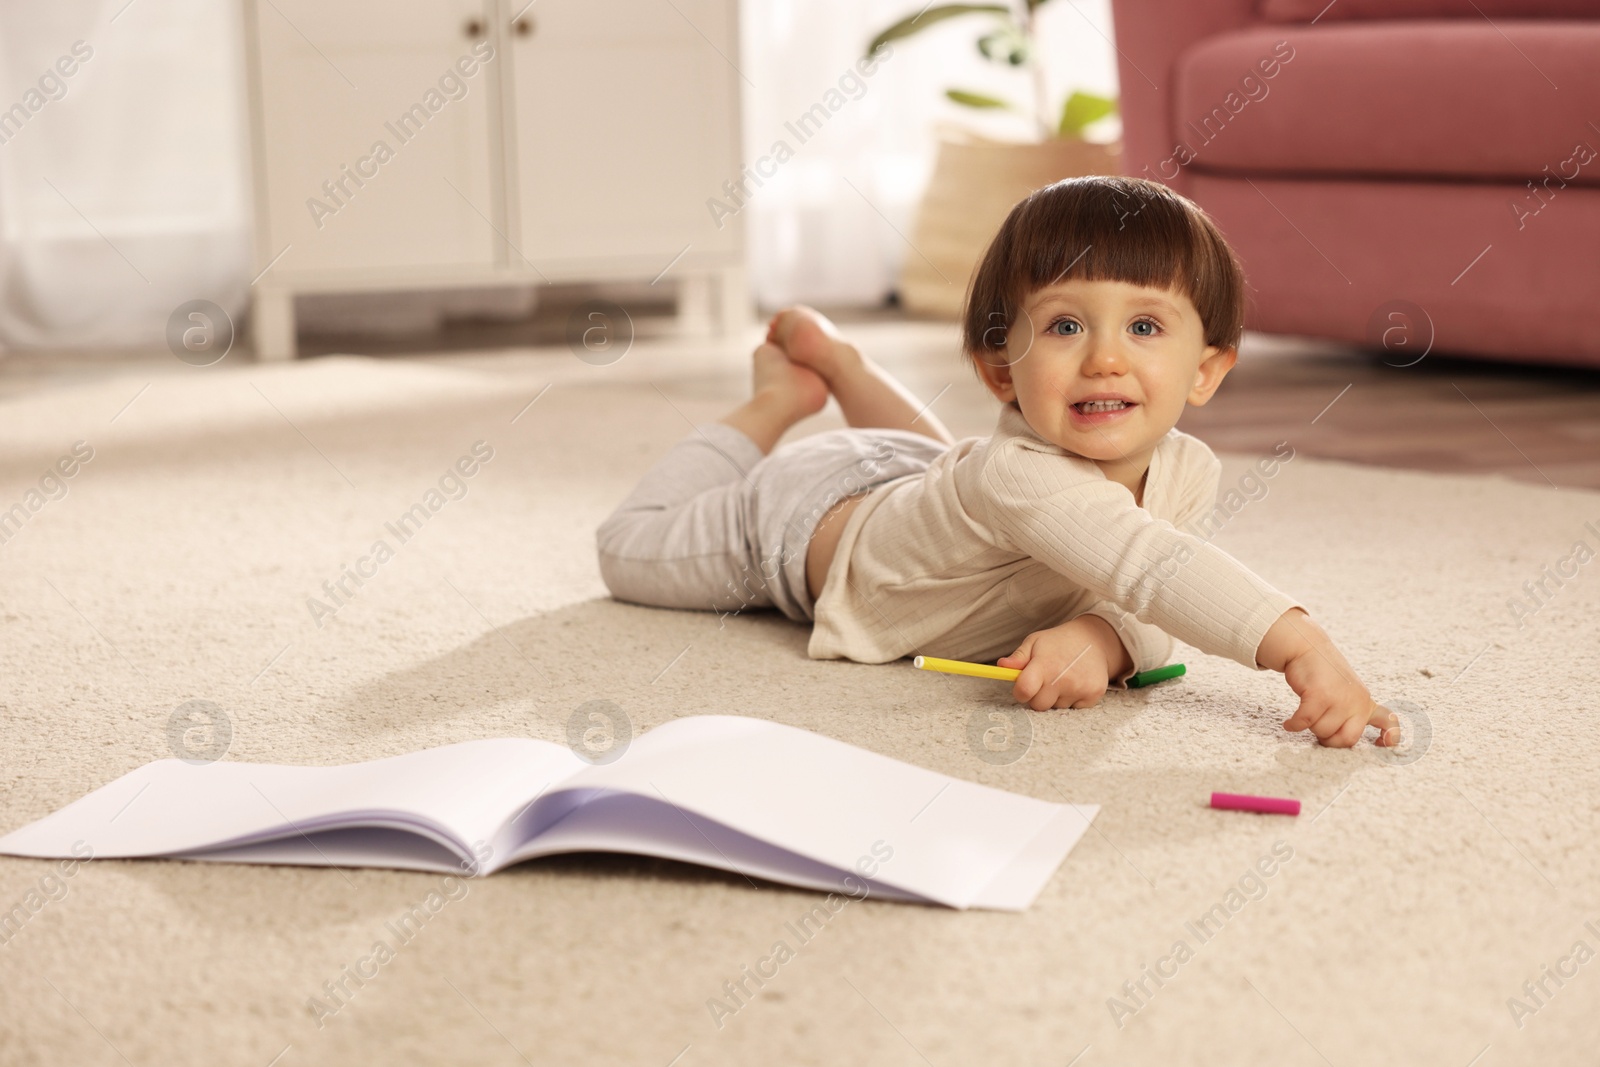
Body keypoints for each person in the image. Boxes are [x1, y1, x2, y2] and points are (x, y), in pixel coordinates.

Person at [597, 176, 1398, 748]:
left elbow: (1154, 605)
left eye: (1146, 327)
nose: (1106, 359)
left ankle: (845, 368)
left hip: (921, 479)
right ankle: (776, 403)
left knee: (948, 468)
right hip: (792, 522)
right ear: (1000, 371)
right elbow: (1152, 569)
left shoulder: (1187, 471)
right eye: (1063, 327)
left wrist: (1103, 640)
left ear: (1207, 369)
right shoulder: (1019, 474)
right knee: (628, 547)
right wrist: (1299, 643)